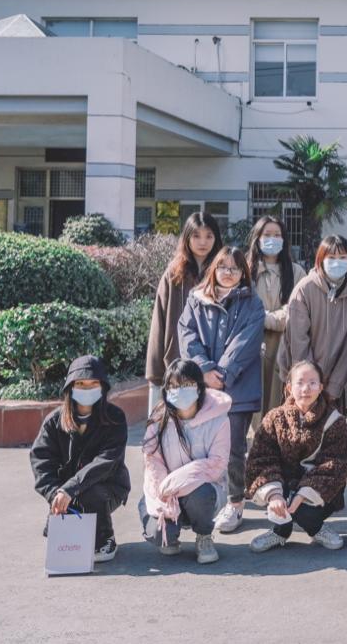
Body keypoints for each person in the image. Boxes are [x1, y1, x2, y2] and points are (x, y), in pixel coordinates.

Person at [178, 246, 266, 534]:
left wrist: (223, 374)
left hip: (237, 387)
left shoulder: (252, 302)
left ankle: (235, 502)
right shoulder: (196, 299)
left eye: (235, 268)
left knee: (234, 449)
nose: (229, 272)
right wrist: (203, 369)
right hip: (202, 386)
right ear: (213, 269)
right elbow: (187, 333)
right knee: (199, 446)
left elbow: (245, 342)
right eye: (223, 266)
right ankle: (200, 500)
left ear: (243, 273)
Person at [30, 355, 130, 563]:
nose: (87, 388)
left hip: (107, 488)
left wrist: (71, 489)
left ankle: (105, 537)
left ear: (102, 387)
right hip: (66, 490)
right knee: (64, 543)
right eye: (81, 384)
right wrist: (55, 494)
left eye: (93, 383)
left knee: (90, 492)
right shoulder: (54, 422)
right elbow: (41, 461)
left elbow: (107, 461)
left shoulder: (115, 418)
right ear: (70, 387)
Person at [245, 360, 347, 553]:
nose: (306, 389)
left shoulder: (335, 421)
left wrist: (303, 494)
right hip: (284, 485)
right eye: (300, 382)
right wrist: (274, 494)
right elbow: (260, 459)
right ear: (289, 387)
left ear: (321, 387)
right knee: (278, 500)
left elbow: (337, 464)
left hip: (319, 489)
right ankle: (280, 531)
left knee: (304, 512)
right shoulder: (274, 418)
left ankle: (316, 528)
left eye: (312, 383)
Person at [138, 359, 230, 564]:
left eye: (187, 384)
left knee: (200, 493)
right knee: (160, 534)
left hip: (201, 491)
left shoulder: (219, 419)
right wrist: (163, 495)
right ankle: (171, 532)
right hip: (165, 492)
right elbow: (153, 462)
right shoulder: (158, 418)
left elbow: (216, 464)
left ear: (199, 387)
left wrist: (175, 482)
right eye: (173, 385)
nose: (179, 390)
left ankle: (204, 535)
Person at [145, 212, 222, 413]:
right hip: (176, 362)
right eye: (196, 236)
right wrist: (155, 370)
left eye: (209, 236)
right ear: (187, 237)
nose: (203, 242)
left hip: (211, 367)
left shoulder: (222, 273)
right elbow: (160, 322)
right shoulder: (174, 274)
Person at [279, 234, 347, 408]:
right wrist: (310, 382)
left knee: (332, 424)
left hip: (334, 381)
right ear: (320, 259)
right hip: (302, 383)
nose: (337, 262)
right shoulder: (305, 288)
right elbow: (298, 341)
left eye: (342, 257)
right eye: (331, 257)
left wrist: (334, 385)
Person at [247, 214, 307, 418]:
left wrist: (264, 318)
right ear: (257, 238)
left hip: (283, 346)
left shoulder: (296, 272)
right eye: (267, 235)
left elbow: (296, 310)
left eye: (277, 235)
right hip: (251, 343)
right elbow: (243, 308)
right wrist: (266, 318)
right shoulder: (245, 269)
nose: (272, 239)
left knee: (278, 404)